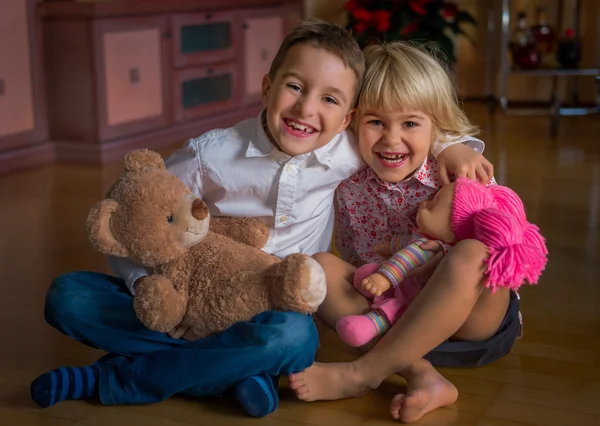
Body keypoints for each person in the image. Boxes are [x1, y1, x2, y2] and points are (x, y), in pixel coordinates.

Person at [31, 22, 490, 418]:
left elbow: (410, 125)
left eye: (329, 99)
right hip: (185, 296)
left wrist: (455, 146)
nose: (307, 109)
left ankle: (119, 380)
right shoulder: (209, 154)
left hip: (273, 309)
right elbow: (138, 215)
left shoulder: (349, 149)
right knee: (67, 296)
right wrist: (146, 289)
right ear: (268, 87)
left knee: (293, 338)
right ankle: (236, 374)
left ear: (346, 117)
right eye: (294, 87)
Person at [288, 41, 522, 424]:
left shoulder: (454, 170)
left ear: (435, 126)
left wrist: (453, 146)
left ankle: (363, 374)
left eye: (410, 124)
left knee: (476, 254)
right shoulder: (344, 174)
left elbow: (506, 234)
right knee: (316, 269)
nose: (391, 139)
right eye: (375, 122)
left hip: (470, 322)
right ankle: (423, 375)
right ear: (353, 121)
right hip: (390, 313)